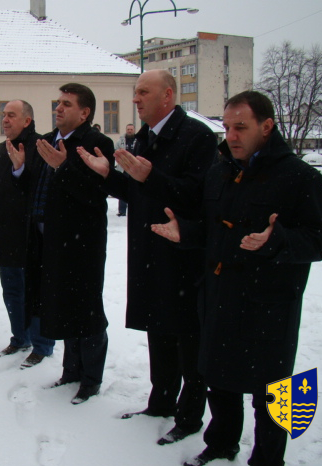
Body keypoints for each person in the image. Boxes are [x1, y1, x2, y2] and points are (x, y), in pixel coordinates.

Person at [151, 91, 322, 466]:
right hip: (219, 295)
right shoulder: (220, 172)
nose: (231, 136)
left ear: (267, 127)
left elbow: (318, 241)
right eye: (228, 127)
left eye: (241, 128)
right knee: (219, 379)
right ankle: (221, 442)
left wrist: (277, 239)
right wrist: (186, 232)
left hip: (269, 304)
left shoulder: (300, 178)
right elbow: (211, 228)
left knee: (273, 393)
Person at [80, 69, 216, 444]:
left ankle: (189, 417)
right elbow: (137, 190)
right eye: (135, 92)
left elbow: (197, 195)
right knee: (159, 332)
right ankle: (161, 402)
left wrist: (150, 177)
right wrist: (108, 176)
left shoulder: (197, 136)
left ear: (167, 95)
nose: (135, 99)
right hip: (149, 250)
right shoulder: (144, 137)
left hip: (182, 255)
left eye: (143, 92)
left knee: (187, 339)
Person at [28, 83, 114, 404]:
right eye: (58, 102)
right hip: (50, 239)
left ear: (84, 112)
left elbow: (95, 193)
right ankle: (71, 370)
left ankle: (91, 379)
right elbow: (38, 186)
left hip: (83, 242)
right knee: (62, 305)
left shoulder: (97, 143)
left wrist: (63, 168)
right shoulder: (48, 140)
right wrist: (22, 168)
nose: (59, 108)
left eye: (67, 103)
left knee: (87, 309)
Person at [0, 99, 55, 368]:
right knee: (12, 291)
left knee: (34, 292)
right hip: (4, 234)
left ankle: (42, 344)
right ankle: (20, 337)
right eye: (4, 115)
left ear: (27, 120)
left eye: (11, 115)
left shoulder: (41, 146)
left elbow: (40, 190)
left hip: (30, 234)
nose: (5, 119)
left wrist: (22, 168)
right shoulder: (1, 150)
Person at [114, 123, 138, 216]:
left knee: (135, 190)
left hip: (135, 168)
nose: (129, 131)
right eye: (128, 129)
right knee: (123, 189)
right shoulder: (120, 141)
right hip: (123, 168)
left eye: (131, 129)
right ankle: (122, 210)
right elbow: (115, 150)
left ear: (134, 130)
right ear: (126, 130)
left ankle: (135, 210)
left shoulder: (138, 140)